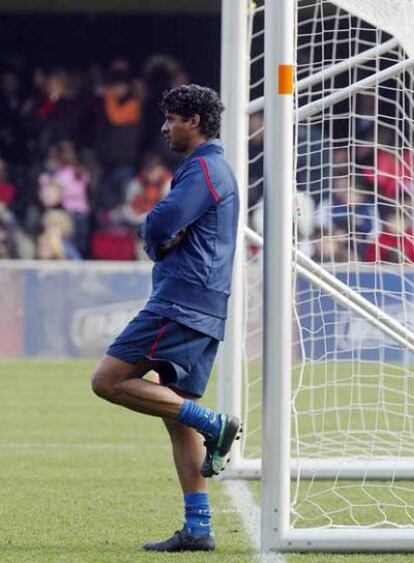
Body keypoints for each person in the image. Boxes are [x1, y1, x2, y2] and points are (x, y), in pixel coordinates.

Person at [91, 84, 241, 552]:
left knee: (108, 380)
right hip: (207, 303)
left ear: (193, 120)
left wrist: (152, 238)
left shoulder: (204, 168)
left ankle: (213, 425)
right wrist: (160, 239)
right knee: (175, 416)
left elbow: (158, 223)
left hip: (181, 300)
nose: (164, 127)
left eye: (171, 118)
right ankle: (198, 527)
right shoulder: (214, 169)